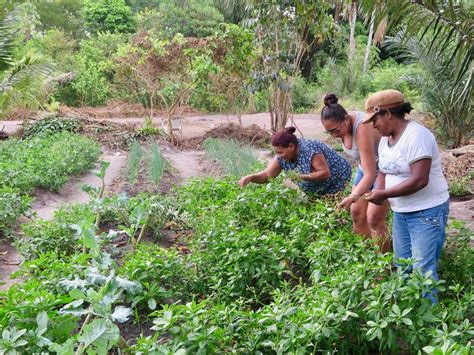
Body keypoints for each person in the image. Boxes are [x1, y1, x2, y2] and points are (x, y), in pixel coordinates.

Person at [363, 89, 450, 303]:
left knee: (423, 271)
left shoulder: (417, 136)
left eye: (375, 120)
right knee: (404, 266)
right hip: (401, 212)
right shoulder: (385, 140)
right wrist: (379, 193)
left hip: (426, 211)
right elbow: (382, 170)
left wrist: (384, 193)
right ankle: (410, 319)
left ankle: (429, 324)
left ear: (388, 113)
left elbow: (420, 179)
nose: (373, 126)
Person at [321, 93, 390, 252]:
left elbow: (371, 174)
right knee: (357, 213)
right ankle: (365, 258)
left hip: (383, 171)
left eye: (335, 130)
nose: (333, 135)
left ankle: (384, 266)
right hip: (365, 168)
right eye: (329, 132)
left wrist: (352, 196)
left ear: (346, 119)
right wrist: (354, 199)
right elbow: (365, 167)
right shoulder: (341, 126)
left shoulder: (362, 128)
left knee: (374, 218)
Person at [239, 127, 351, 196]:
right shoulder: (281, 158)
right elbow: (268, 175)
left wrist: (301, 177)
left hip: (338, 177)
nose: (278, 156)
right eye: (277, 152)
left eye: (280, 152)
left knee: (333, 213)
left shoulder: (309, 150)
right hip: (318, 188)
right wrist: (251, 177)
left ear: (291, 146)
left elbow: (325, 173)